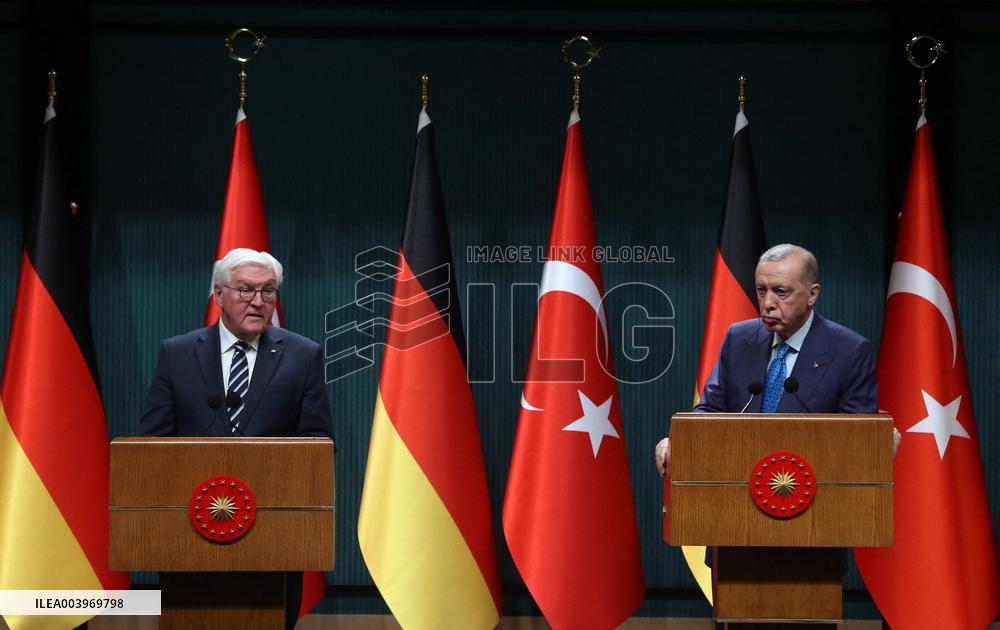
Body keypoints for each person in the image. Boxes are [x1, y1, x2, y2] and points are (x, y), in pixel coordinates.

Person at [139, 248, 334, 630]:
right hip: (190, 530)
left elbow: (319, 443)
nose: (258, 302)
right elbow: (152, 445)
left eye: (268, 291)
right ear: (218, 295)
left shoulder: (302, 355)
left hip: (273, 533)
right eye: (245, 290)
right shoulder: (177, 353)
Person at [655, 243, 898, 475]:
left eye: (781, 292)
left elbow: (858, 440)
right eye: (762, 290)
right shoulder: (738, 339)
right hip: (736, 490)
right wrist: (680, 441)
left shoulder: (849, 351)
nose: (768, 304)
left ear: (812, 294)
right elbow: (709, 410)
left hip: (812, 496)